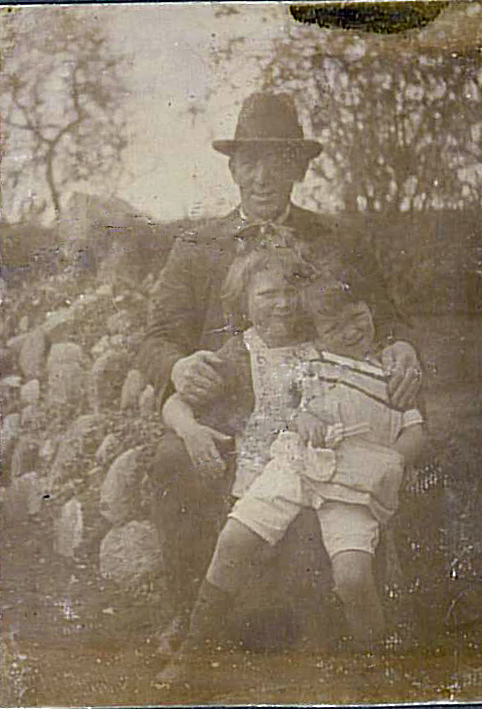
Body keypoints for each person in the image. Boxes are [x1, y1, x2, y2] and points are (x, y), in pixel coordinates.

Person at [137, 91, 423, 653]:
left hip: (319, 407)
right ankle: (188, 616)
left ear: (299, 168)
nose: (262, 175)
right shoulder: (195, 246)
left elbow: (385, 318)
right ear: (233, 168)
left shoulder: (336, 241)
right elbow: (155, 339)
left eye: (277, 160)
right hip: (228, 411)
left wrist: (402, 345)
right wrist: (178, 363)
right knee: (173, 461)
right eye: (250, 161)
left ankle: (358, 613)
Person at [157, 247, 425, 681]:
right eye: (267, 295)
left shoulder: (335, 348)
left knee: (335, 576)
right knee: (237, 542)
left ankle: (365, 668)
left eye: (291, 294)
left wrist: (393, 454)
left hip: (348, 482)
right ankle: (196, 650)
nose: (282, 304)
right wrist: (191, 430)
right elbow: (289, 406)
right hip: (287, 468)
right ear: (243, 303)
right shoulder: (251, 353)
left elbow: (409, 422)